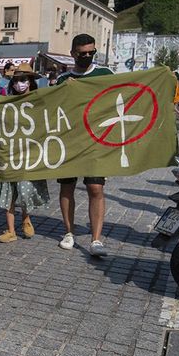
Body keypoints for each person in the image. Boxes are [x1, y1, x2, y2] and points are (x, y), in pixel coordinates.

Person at [55, 34, 114, 255]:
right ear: (73, 54)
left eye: (91, 53)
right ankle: (69, 232)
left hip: (96, 143)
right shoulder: (63, 80)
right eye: (83, 53)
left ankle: (96, 240)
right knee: (67, 187)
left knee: (96, 188)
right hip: (69, 143)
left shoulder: (105, 74)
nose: (87, 56)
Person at [0, 66, 50, 243]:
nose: (21, 84)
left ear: (31, 82)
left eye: (24, 80)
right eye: (17, 80)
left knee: (24, 190)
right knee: (8, 192)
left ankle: (26, 219)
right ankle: (11, 231)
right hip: (9, 153)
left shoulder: (40, 100)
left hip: (28, 154)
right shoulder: (7, 101)